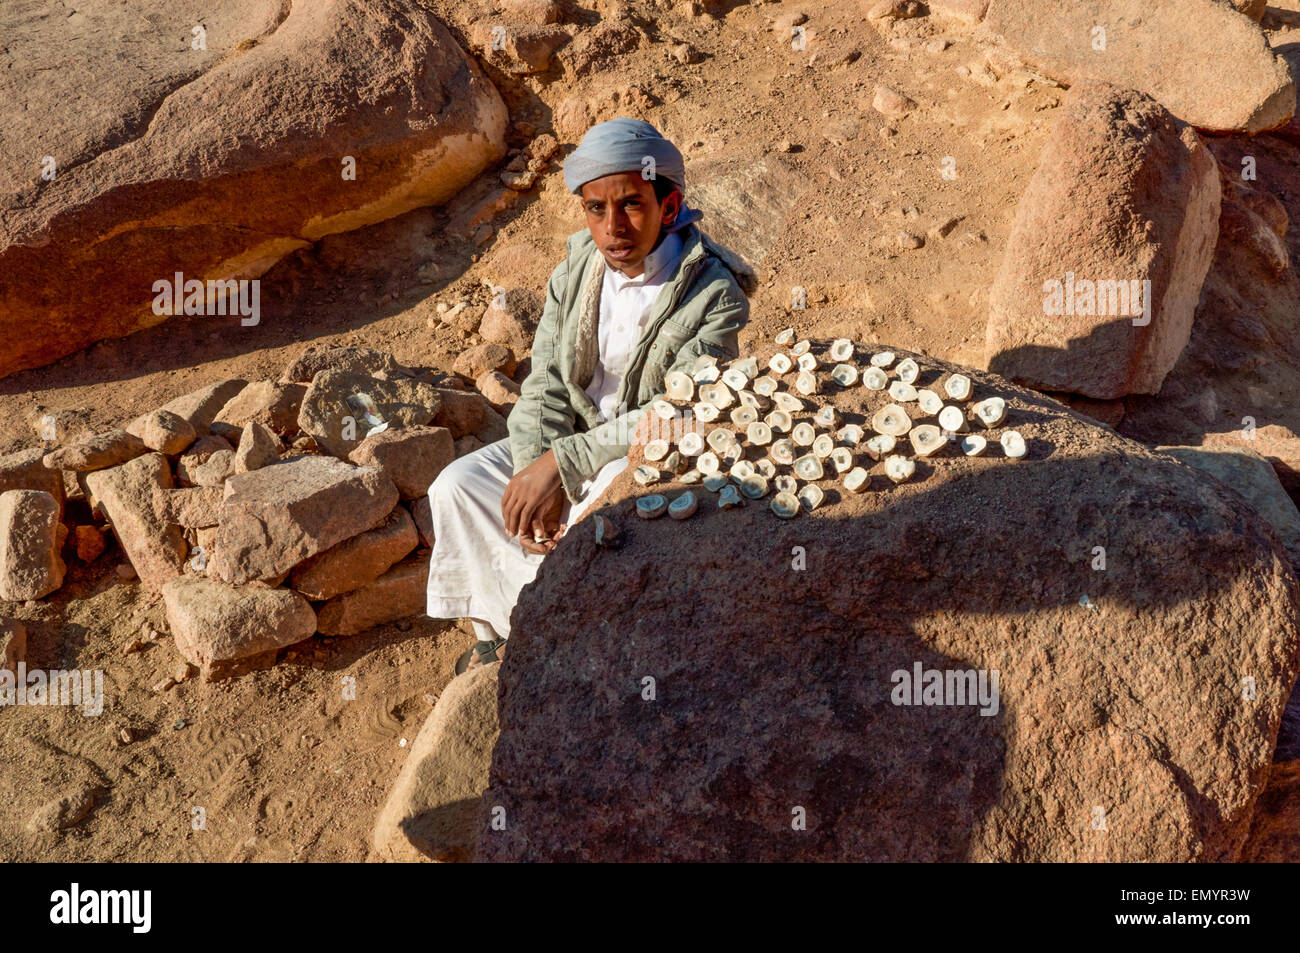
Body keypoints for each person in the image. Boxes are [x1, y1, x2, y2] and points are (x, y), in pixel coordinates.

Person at [425, 117, 751, 674]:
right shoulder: (577, 267)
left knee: (585, 537)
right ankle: (497, 633)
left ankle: (550, 644)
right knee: (456, 486)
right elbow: (546, 380)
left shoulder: (715, 294)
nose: (612, 227)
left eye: (631, 205)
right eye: (595, 209)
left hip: (638, 453)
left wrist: (562, 465)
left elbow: (675, 411)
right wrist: (536, 469)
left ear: (668, 208)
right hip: (566, 439)